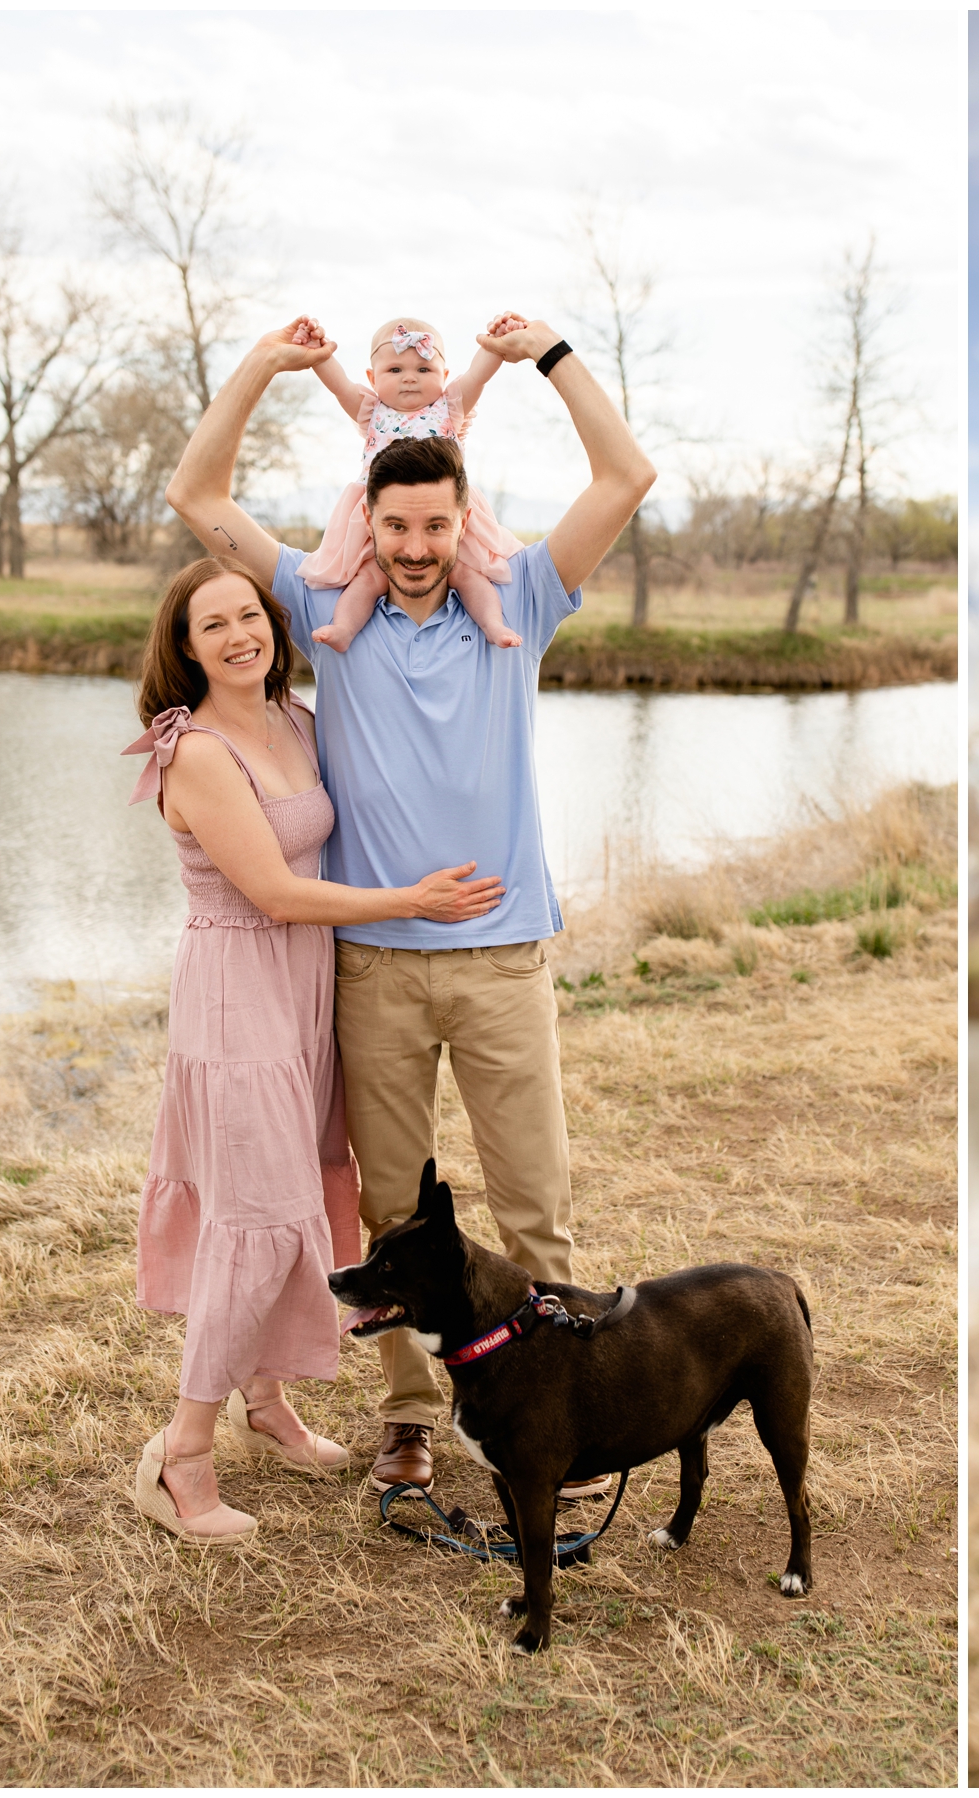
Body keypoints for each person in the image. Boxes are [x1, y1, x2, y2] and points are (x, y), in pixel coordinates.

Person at [165, 313, 654, 1503]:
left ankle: (563, 1416)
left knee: (534, 1205)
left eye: (438, 524)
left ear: (462, 519)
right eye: (397, 526)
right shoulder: (328, 616)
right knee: (392, 1217)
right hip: (373, 969)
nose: (418, 545)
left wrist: (549, 357)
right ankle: (407, 1416)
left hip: (501, 963)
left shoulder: (524, 600)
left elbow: (627, 475)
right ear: (367, 526)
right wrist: (267, 367)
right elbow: (196, 491)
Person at [123, 558, 505, 1540]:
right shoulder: (199, 752)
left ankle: (266, 1401)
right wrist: (410, 899)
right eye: (215, 625)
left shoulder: (294, 720)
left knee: (300, 1192)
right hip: (236, 992)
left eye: (250, 613)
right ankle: (181, 1453)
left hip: (302, 990)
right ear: (186, 648)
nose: (240, 633)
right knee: (256, 1216)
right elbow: (278, 892)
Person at [300, 313, 529, 653]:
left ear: (444, 376)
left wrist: (496, 345)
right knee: (369, 578)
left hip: (442, 515)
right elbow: (338, 386)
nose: (409, 379)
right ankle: (344, 628)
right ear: (372, 377)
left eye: (423, 370)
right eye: (395, 370)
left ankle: (493, 625)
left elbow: (479, 376)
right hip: (384, 514)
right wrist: (318, 353)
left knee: (467, 575)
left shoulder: (449, 407)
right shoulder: (371, 411)